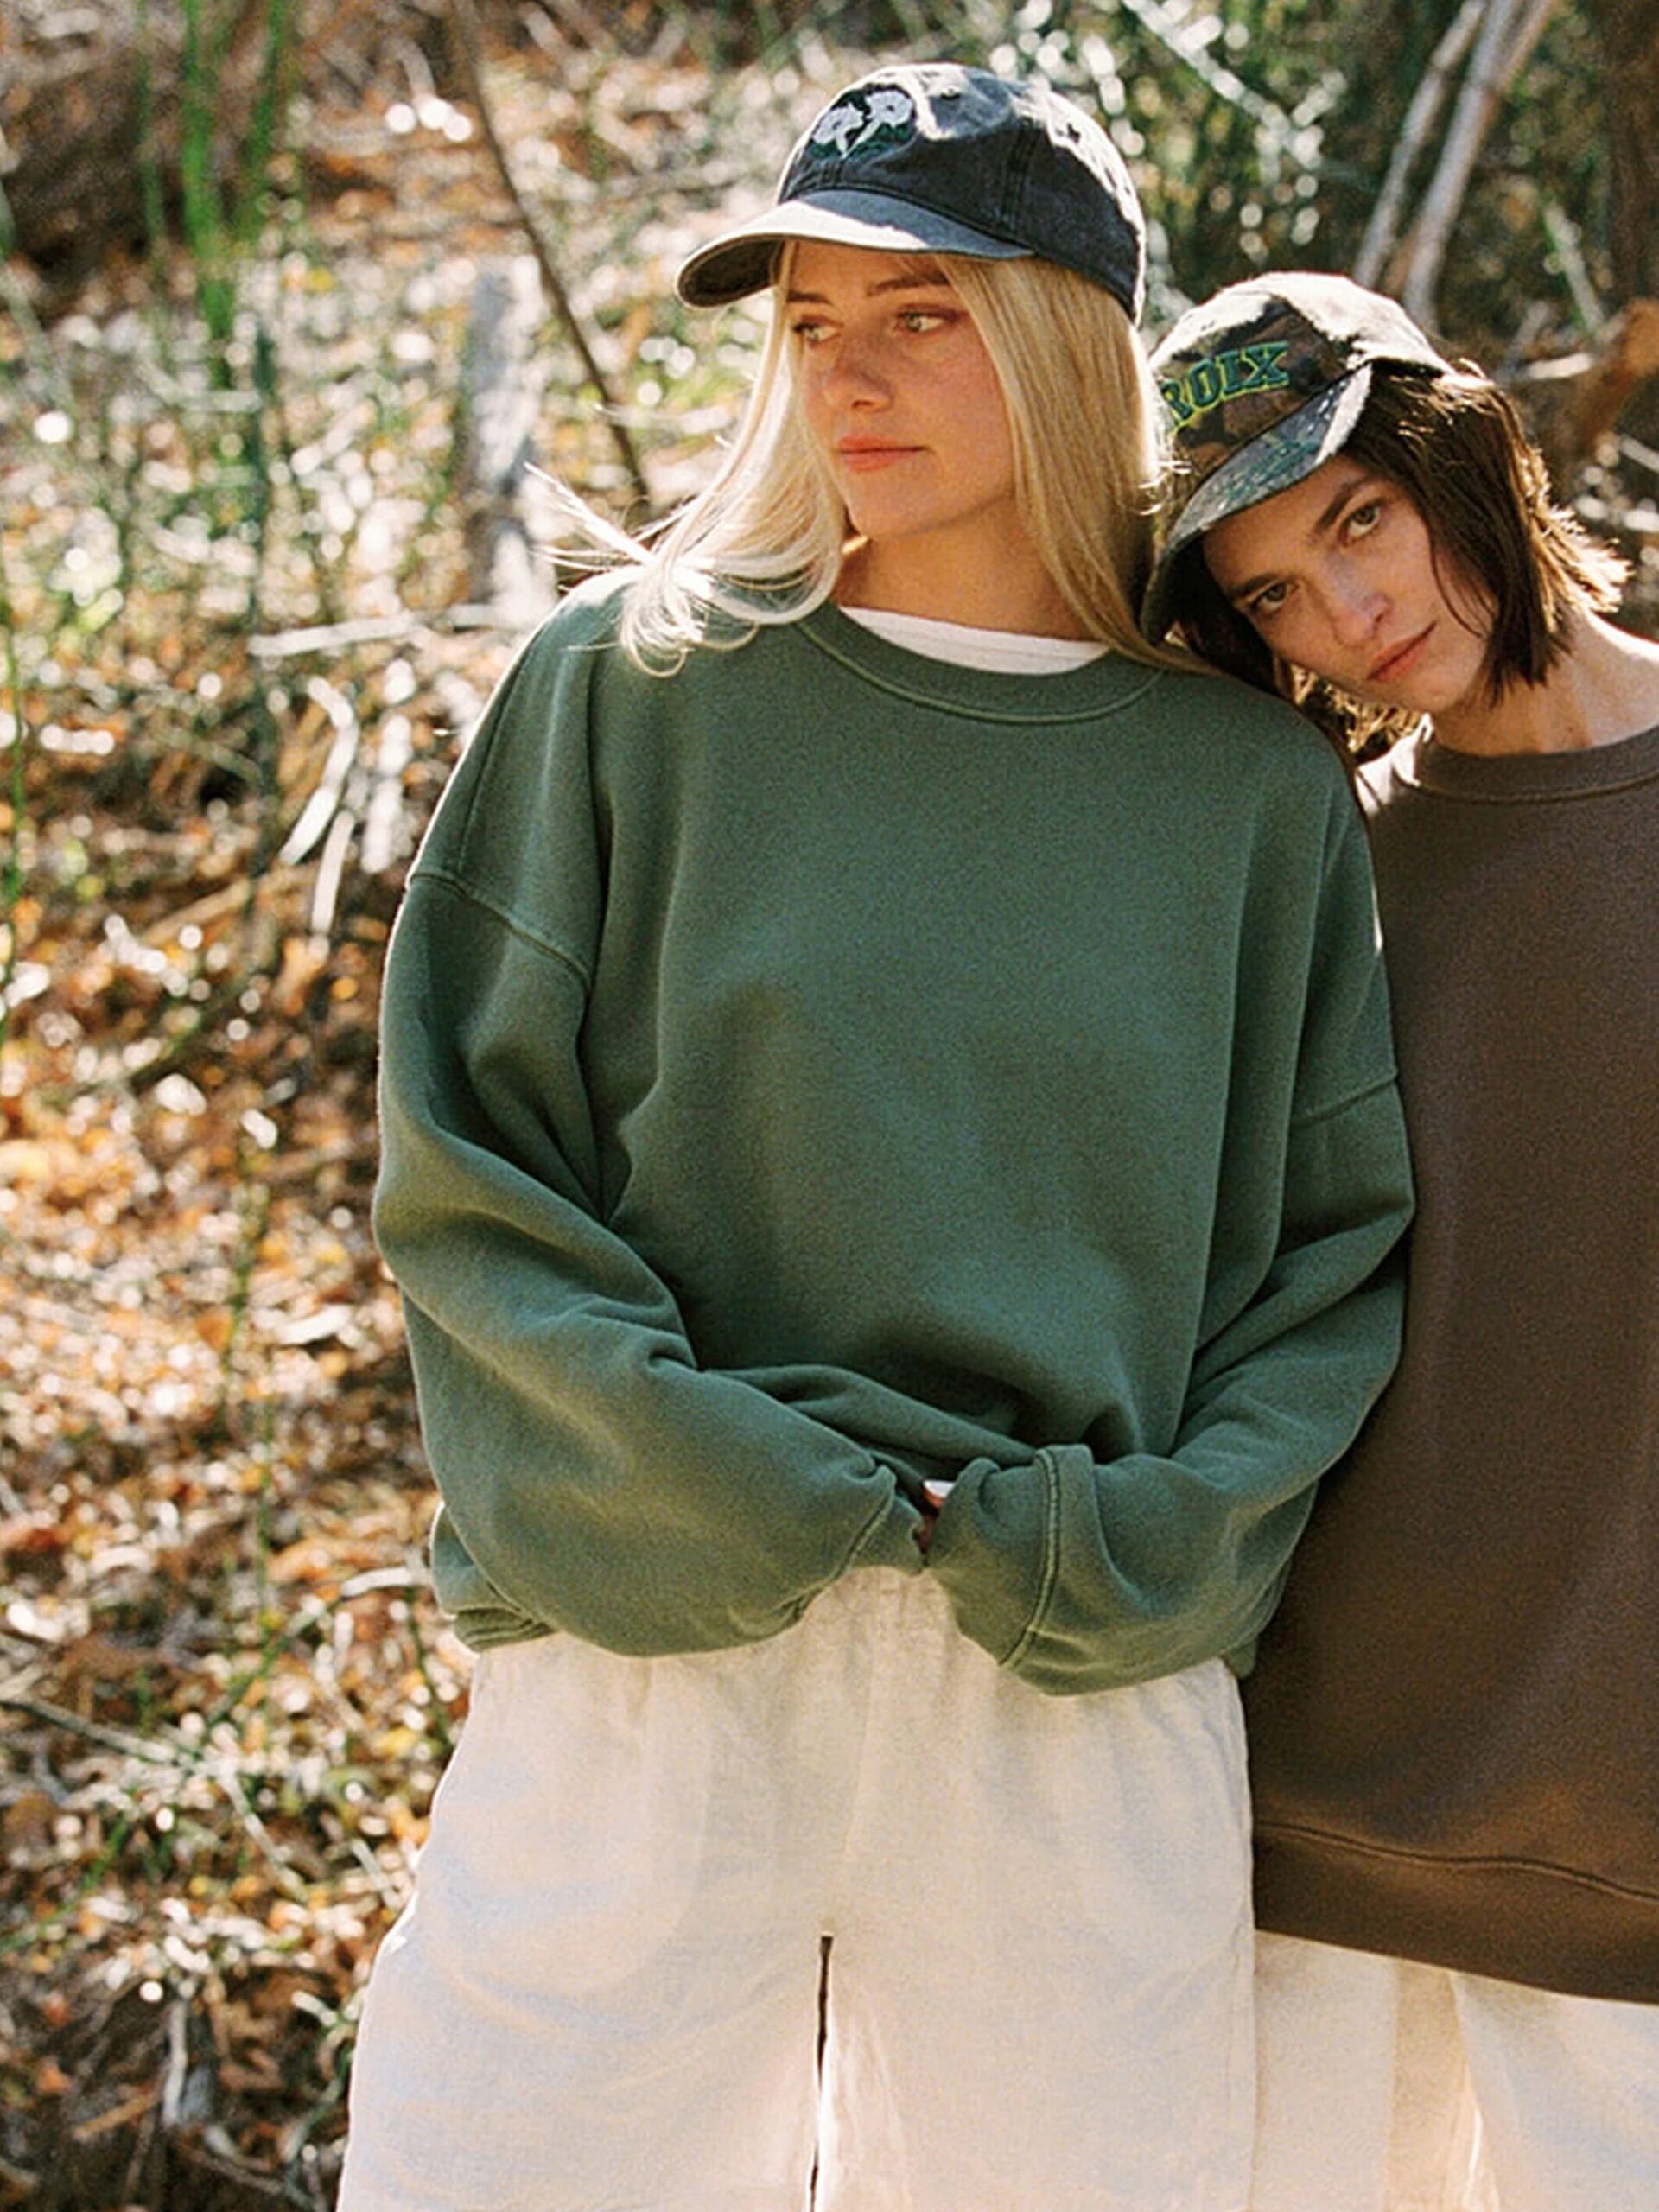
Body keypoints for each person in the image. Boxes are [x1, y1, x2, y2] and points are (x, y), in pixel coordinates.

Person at [337, 77, 1413, 2212]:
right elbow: (470, 1175)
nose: (846, 369)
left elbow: (1329, 1262)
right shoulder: (628, 690)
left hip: (1069, 1674)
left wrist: (1143, 1541)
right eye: (811, 316)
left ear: (1062, 339)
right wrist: (711, 1471)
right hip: (652, 1641)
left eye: (917, 311)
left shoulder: (1245, 794)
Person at [1143, 268, 1659, 2212]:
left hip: (1627, 1848)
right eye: (1274, 587)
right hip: (1320, 1823)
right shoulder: (1317, 871)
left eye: (1356, 516)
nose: (1349, 612)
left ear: (1466, 448)